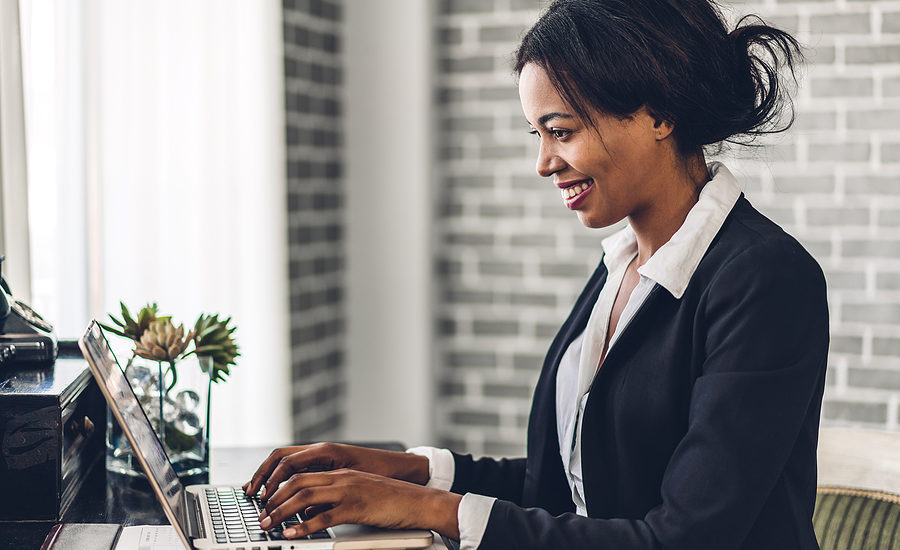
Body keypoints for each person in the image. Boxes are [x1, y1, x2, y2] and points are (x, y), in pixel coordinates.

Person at [243, 1, 829, 548]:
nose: (544, 162)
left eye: (562, 130)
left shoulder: (764, 279)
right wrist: (411, 471)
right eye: (538, 133)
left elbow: (681, 537)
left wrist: (429, 509)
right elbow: (577, 485)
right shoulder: (626, 264)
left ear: (660, 114)